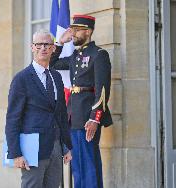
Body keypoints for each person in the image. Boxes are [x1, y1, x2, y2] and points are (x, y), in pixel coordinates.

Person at [50, 14, 113, 188]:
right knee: (77, 165)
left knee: (88, 164)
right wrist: (60, 42)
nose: (73, 33)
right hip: (73, 116)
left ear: (88, 32)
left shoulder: (99, 54)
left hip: (87, 117)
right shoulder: (75, 56)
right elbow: (52, 64)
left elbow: (103, 90)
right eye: (73, 30)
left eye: (77, 30)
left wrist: (95, 118)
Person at [5, 29, 72, 188]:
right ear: (32, 47)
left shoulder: (56, 77)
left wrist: (66, 146)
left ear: (53, 49)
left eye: (47, 44)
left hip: (55, 148)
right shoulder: (21, 79)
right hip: (32, 149)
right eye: (39, 44)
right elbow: (13, 118)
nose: (43, 48)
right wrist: (15, 153)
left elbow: (61, 114)